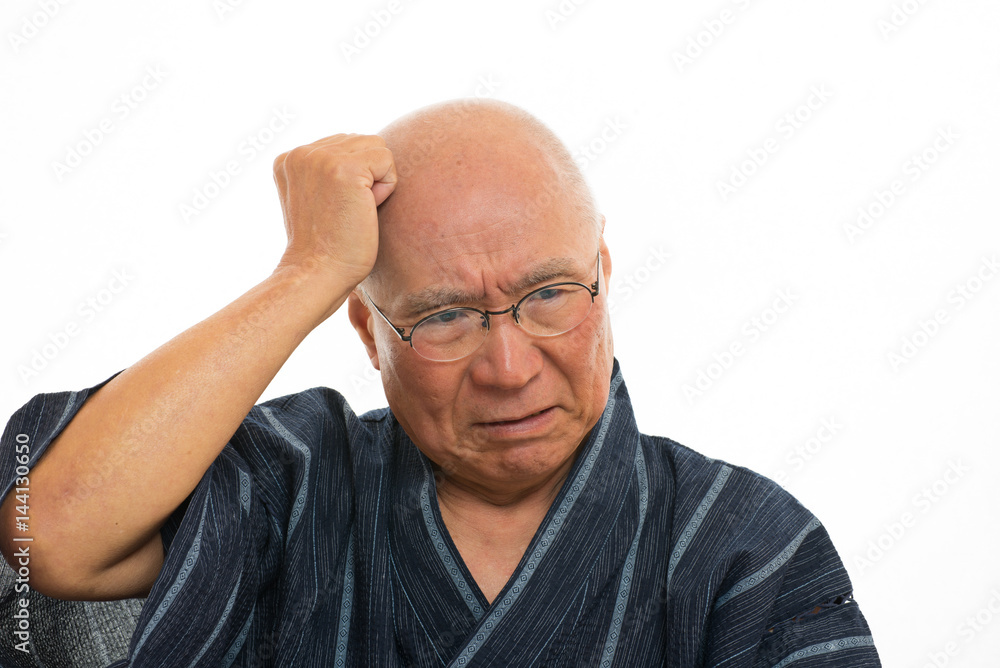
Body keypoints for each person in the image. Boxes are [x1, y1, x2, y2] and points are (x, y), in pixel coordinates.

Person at [0, 99, 881, 666]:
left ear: (604, 275)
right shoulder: (293, 480)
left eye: (549, 295)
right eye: (446, 317)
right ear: (367, 331)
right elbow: (49, 533)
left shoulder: (742, 545)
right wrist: (307, 271)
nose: (509, 369)